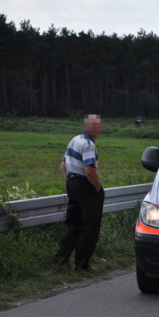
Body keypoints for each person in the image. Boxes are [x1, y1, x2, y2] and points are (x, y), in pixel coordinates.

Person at [54, 114, 105, 271]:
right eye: (97, 126)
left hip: (72, 183)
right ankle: (82, 265)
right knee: (90, 226)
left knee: (74, 224)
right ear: (92, 128)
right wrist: (98, 189)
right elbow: (89, 170)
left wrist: (70, 182)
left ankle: (61, 259)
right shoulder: (88, 144)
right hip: (85, 185)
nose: (98, 129)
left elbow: (62, 166)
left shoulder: (74, 139)